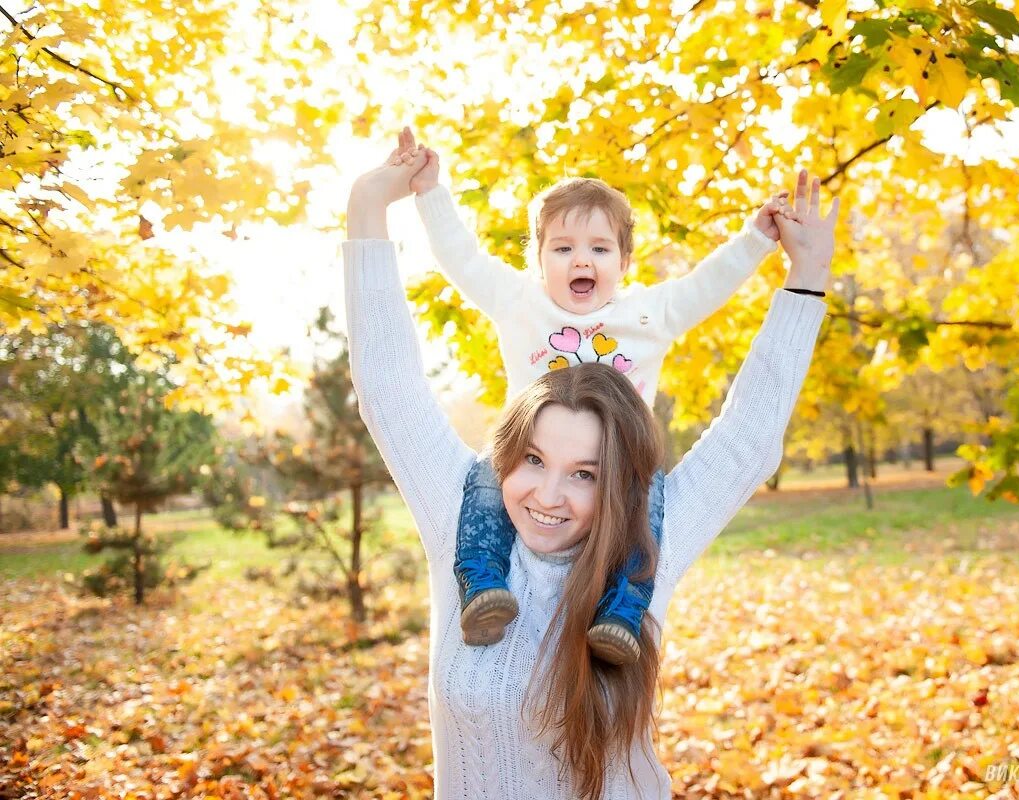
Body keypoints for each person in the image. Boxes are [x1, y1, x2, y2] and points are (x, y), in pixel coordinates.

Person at [343, 132, 836, 799]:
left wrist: (802, 277)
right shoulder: (463, 509)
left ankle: (617, 594)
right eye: (534, 459)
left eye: (585, 473)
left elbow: (748, 430)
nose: (549, 494)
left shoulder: (646, 531)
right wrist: (372, 203)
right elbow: (390, 380)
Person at [393, 126, 796, 663]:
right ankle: (483, 586)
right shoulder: (520, 303)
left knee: (646, 510)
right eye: (563, 248)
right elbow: (461, 259)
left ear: (623, 263)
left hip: (621, 457)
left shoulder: (650, 315)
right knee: (484, 482)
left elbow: (708, 284)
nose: (581, 260)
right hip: (529, 455)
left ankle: (622, 614)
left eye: (599, 249)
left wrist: (757, 239)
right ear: (538, 260)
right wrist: (430, 192)